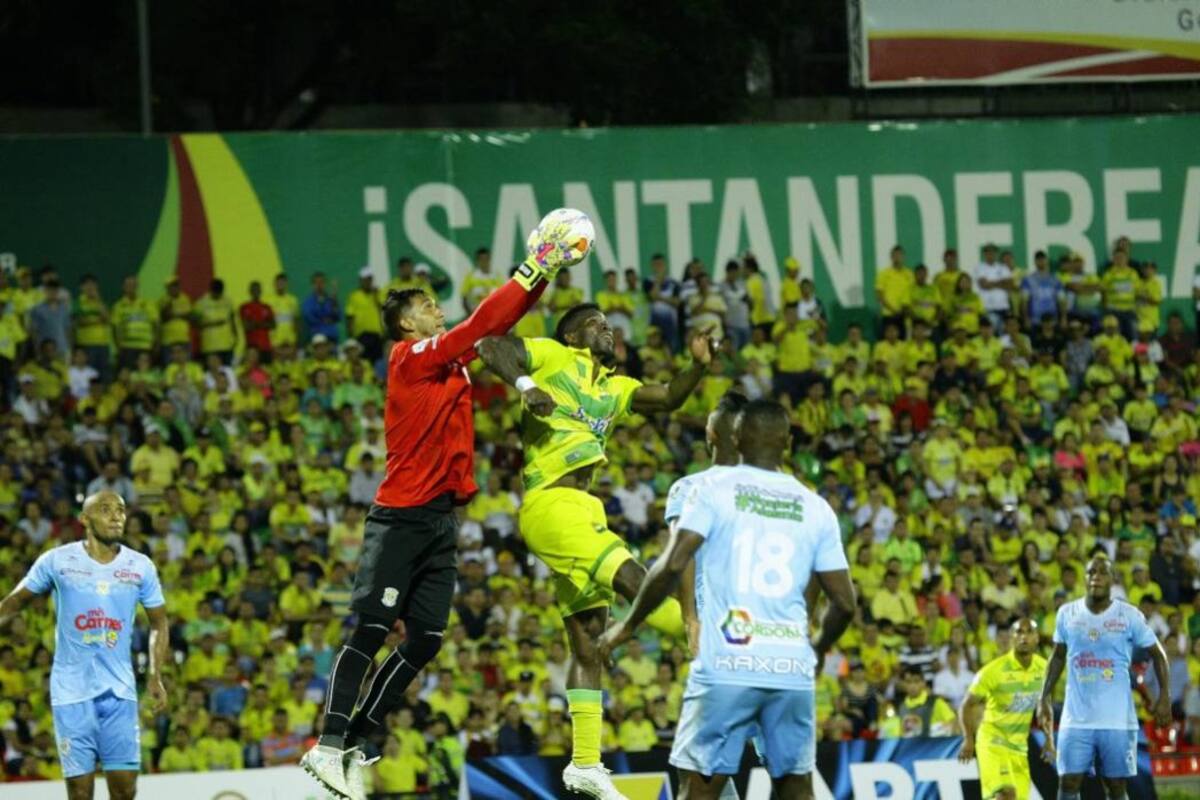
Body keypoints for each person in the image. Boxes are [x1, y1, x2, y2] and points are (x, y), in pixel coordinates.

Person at [299, 210, 576, 800]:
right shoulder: (409, 359)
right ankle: (327, 743)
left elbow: (489, 327)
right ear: (405, 322)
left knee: (425, 638)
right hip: (399, 516)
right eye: (427, 306)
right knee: (372, 628)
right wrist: (537, 265)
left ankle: (359, 740)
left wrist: (542, 278)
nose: (438, 310)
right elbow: (479, 323)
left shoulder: (446, 360)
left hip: (440, 519)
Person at [476, 304, 720, 800]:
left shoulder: (615, 388)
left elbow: (668, 397)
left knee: (588, 639)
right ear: (571, 333)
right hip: (551, 503)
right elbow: (489, 346)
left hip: (585, 507)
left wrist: (696, 365)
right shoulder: (551, 355)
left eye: (609, 324)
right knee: (634, 579)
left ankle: (585, 762)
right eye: (594, 323)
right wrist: (527, 386)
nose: (606, 329)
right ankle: (707, 645)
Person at [597, 399, 857, 800]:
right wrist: (817, 646)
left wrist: (626, 626)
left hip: (729, 656)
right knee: (795, 786)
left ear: (735, 438)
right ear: (788, 443)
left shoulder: (711, 490)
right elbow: (844, 601)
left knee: (699, 786)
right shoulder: (815, 506)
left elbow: (671, 564)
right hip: (788, 663)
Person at [0, 490, 169, 800]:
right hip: (71, 692)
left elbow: (159, 621)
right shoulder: (57, 560)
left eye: (120, 510)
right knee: (80, 792)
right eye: (105, 509)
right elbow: (14, 602)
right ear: (84, 519)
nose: (116, 515)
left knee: (125, 789)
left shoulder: (140, 565)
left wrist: (155, 675)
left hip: (119, 692)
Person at [1037, 555, 1171, 800]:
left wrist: (1164, 697)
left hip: (1117, 719)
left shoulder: (1129, 615)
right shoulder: (1067, 613)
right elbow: (1057, 657)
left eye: (1102, 572)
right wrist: (1043, 696)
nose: (1095, 576)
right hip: (1076, 718)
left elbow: (1159, 655)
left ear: (1113, 579)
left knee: (1116, 785)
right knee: (1068, 782)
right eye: (1090, 572)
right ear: (1085, 578)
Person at [958, 618, 1047, 800]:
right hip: (993, 742)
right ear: (1011, 638)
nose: (1024, 637)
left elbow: (1045, 704)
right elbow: (967, 704)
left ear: (1037, 638)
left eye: (1029, 632)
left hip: (1019, 747)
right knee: (1006, 794)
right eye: (1018, 632)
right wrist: (968, 738)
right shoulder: (993, 671)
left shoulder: (1044, 668)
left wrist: (1049, 738)